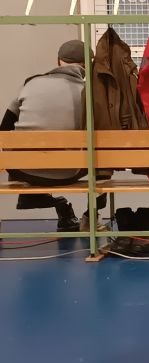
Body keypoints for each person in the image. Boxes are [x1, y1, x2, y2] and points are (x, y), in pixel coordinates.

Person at [1, 40, 89, 231]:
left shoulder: (31, 83)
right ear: (87, 65)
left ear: (58, 61)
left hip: (22, 170)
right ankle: (90, 217)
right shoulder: (90, 93)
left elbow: (4, 127)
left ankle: (34, 196)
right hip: (70, 172)